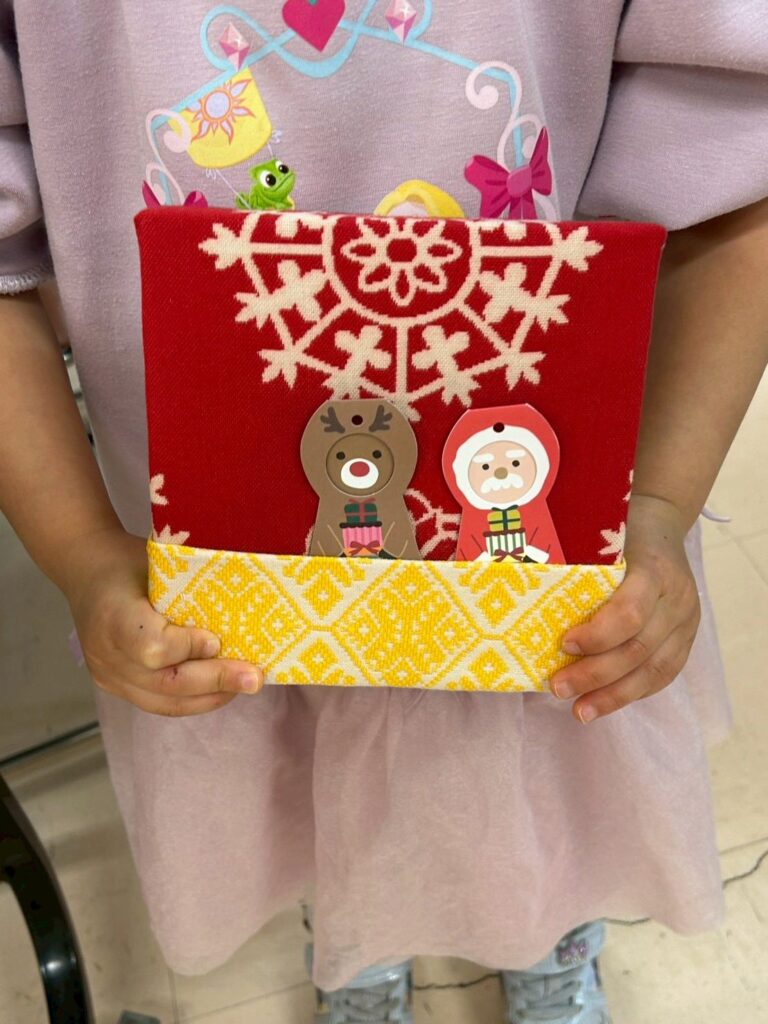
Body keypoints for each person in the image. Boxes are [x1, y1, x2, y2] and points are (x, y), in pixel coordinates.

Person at [1, 3, 767, 1022]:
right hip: (215, 552)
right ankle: (354, 937)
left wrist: (662, 499)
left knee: (553, 767)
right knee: (295, 777)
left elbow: (737, 165)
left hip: (543, 515)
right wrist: (84, 553)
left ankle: (552, 933)